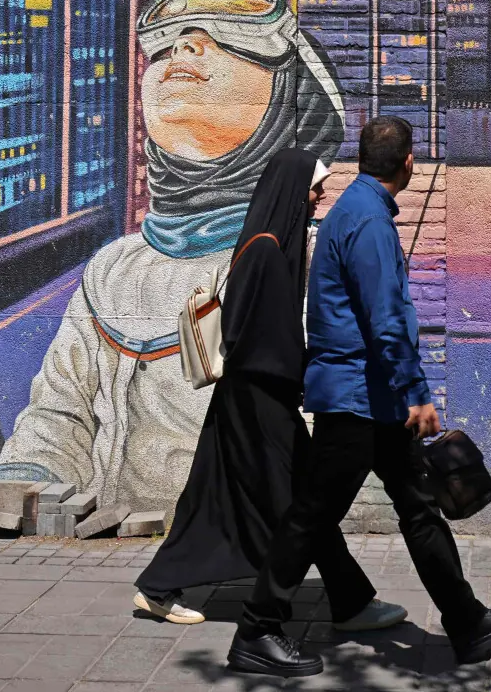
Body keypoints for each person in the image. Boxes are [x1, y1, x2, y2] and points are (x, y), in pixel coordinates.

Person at [0, 0, 345, 510]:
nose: (183, 47)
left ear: (291, 99)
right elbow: (58, 415)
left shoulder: (315, 267)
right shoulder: (111, 270)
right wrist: (23, 484)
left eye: (227, 38)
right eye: (165, 45)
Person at [228, 117, 491, 678]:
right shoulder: (368, 221)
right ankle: (256, 631)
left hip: (373, 396)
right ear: (408, 162)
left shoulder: (356, 211)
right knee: (312, 516)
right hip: (357, 398)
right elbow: (386, 317)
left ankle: (467, 622)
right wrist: (417, 392)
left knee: (418, 508)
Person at [130, 148, 405, 634]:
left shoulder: (269, 246)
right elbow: (251, 335)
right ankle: (349, 602)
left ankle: (161, 585)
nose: (319, 197)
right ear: (292, 190)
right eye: (314, 188)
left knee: (229, 497)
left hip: (255, 400)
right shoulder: (265, 252)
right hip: (258, 404)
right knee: (305, 500)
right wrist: (301, 372)